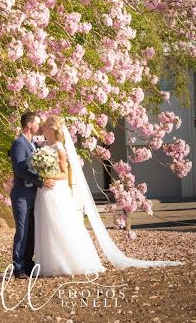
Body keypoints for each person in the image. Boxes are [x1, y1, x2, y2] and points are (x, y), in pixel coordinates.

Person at [33, 115, 185, 277]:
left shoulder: (59, 149)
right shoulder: (43, 146)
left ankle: (68, 262)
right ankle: (49, 263)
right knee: (46, 223)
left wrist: (50, 177)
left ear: (52, 129)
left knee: (61, 224)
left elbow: (64, 173)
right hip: (44, 190)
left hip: (56, 190)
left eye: (46, 125)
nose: (43, 127)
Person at [8, 111, 56, 279]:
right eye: (37, 122)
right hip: (21, 195)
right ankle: (19, 268)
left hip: (33, 195)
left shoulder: (32, 144)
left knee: (31, 232)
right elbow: (20, 170)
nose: (39, 125)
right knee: (22, 231)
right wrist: (41, 182)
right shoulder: (19, 144)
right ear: (29, 125)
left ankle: (28, 265)